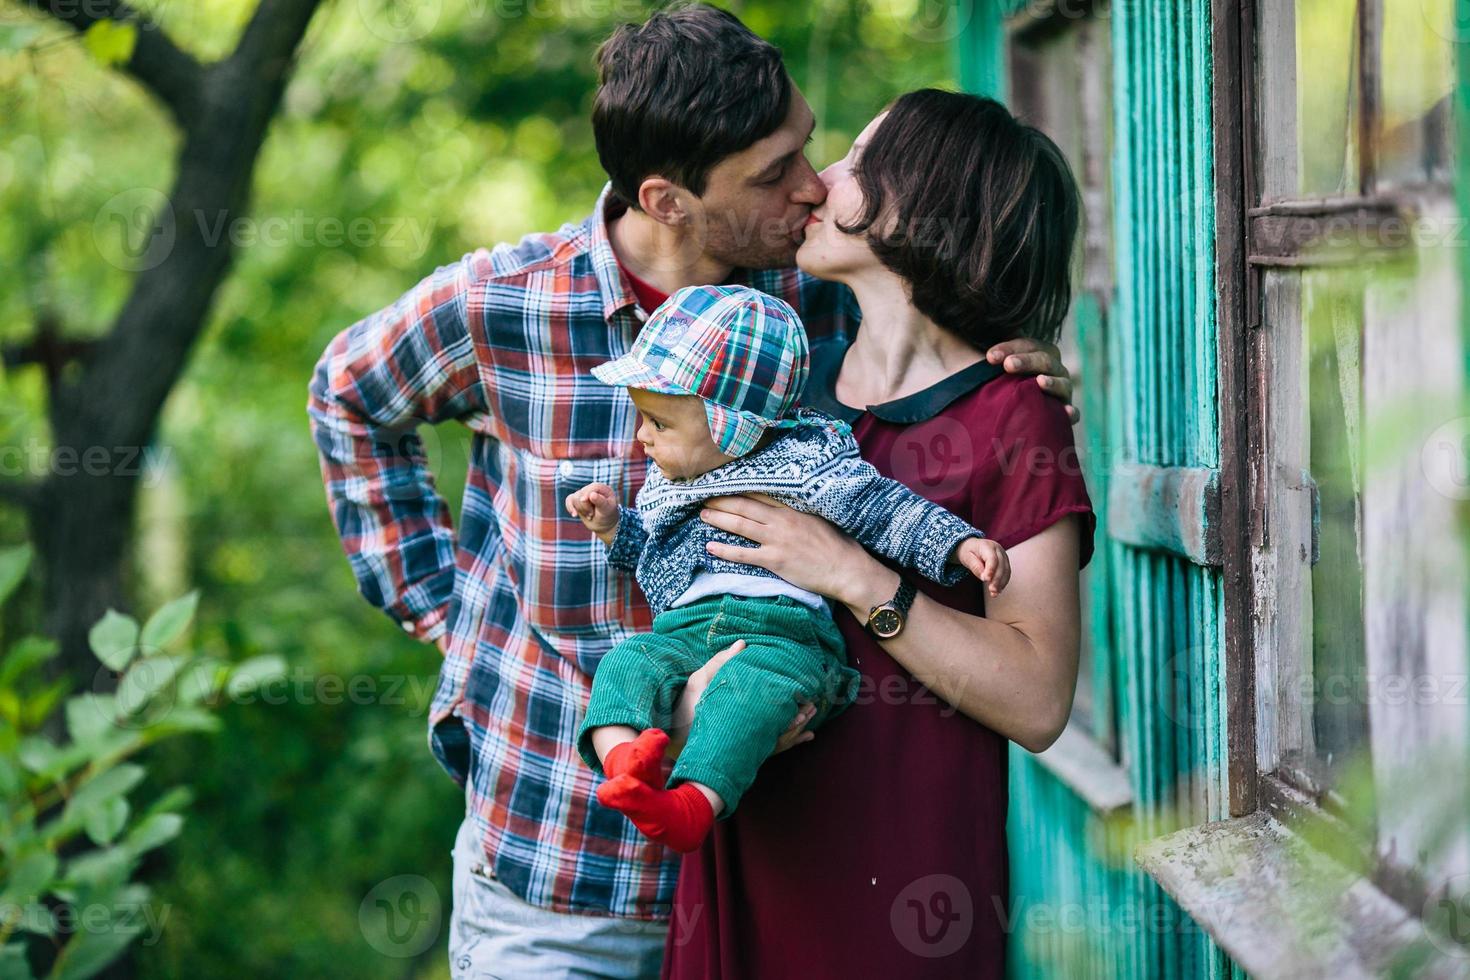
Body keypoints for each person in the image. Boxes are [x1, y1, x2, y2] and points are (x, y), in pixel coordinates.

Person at [307, 5, 1073, 976]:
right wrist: (441, 614)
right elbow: (347, 394)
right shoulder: (504, 304)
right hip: (559, 867)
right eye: (772, 174)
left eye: (806, 145)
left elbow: (939, 351)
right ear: (668, 199)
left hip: (757, 873)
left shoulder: (821, 300)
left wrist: (1016, 359)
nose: (813, 187)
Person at [659, 88, 1096, 978]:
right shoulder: (778, 392)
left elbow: (1038, 698)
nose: (819, 184)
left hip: (906, 886)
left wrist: (856, 575)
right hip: (748, 849)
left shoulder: (1017, 417)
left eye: (858, 162)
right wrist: (687, 698)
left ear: (923, 202)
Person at [566, 283, 1009, 853]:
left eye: (658, 423)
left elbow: (882, 510)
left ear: (731, 425)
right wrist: (613, 529)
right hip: (683, 633)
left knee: (747, 694)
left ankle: (690, 805)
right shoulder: (671, 481)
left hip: (782, 639)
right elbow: (656, 559)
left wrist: (955, 544)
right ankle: (626, 764)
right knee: (626, 661)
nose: (641, 436)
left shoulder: (804, 465)